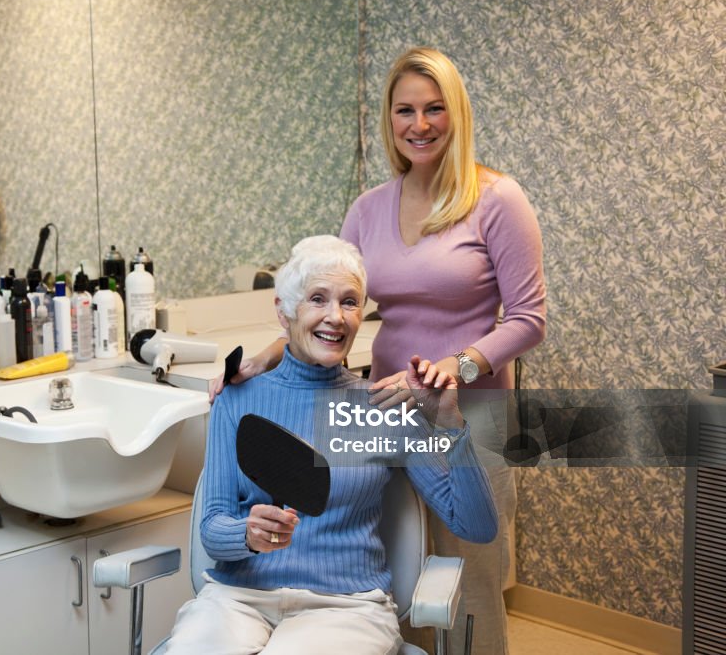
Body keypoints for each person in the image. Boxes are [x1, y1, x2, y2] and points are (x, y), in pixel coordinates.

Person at [211, 48, 546, 654]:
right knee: (401, 572)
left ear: (457, 114)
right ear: (390, 119)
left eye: (434, 108)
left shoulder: (498, 200)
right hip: (384, 409)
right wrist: (267, 355)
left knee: (470, 581)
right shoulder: (368, 208)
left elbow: (528, 319)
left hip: (465, 414)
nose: (420, 124)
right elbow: (330, 298)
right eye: (405, 110)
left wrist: (457, 365)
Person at [165, 235, 498, 655]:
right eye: (318, 299)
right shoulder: (236, 399)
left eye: (350, 302)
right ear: (284, 311)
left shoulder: (384, 408)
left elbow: (477, 527)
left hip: (346, 609)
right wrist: (246, 534)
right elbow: (212, 528)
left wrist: (450, 423)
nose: (336, 317)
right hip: (237, 600)